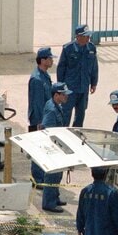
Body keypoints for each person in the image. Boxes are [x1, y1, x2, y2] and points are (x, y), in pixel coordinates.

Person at [57, 24, 99, 127]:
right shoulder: (68, 49)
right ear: (78, 37)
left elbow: (94, 67)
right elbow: (61, 68)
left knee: (80, 115)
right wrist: (61, 87)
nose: (88, 38)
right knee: (66, 114)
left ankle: (76, 135)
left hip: (83, 88)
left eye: (89, 35)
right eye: (86, 36)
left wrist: (94, 83)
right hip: (70, 88)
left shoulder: (91, 48)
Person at [41, 82, 73, 213]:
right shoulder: (51, 109)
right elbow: (47, 130)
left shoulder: (57, 106)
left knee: (58, 174)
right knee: (52, 175)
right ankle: (49, 203)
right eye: (64, 94)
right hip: (53, 148)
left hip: (58, 146)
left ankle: (54, 197)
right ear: (56, 95)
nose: (66, 96)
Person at [28, 47, 56, 187]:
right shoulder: (37, 79)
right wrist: (40, 122)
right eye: (50, 58)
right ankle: (37, 179)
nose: (52, 61)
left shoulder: (44, 75)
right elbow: (37, 103)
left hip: (44, 118)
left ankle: (40, 177)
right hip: (39, 120)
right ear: (43, 60)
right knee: (38, 150)